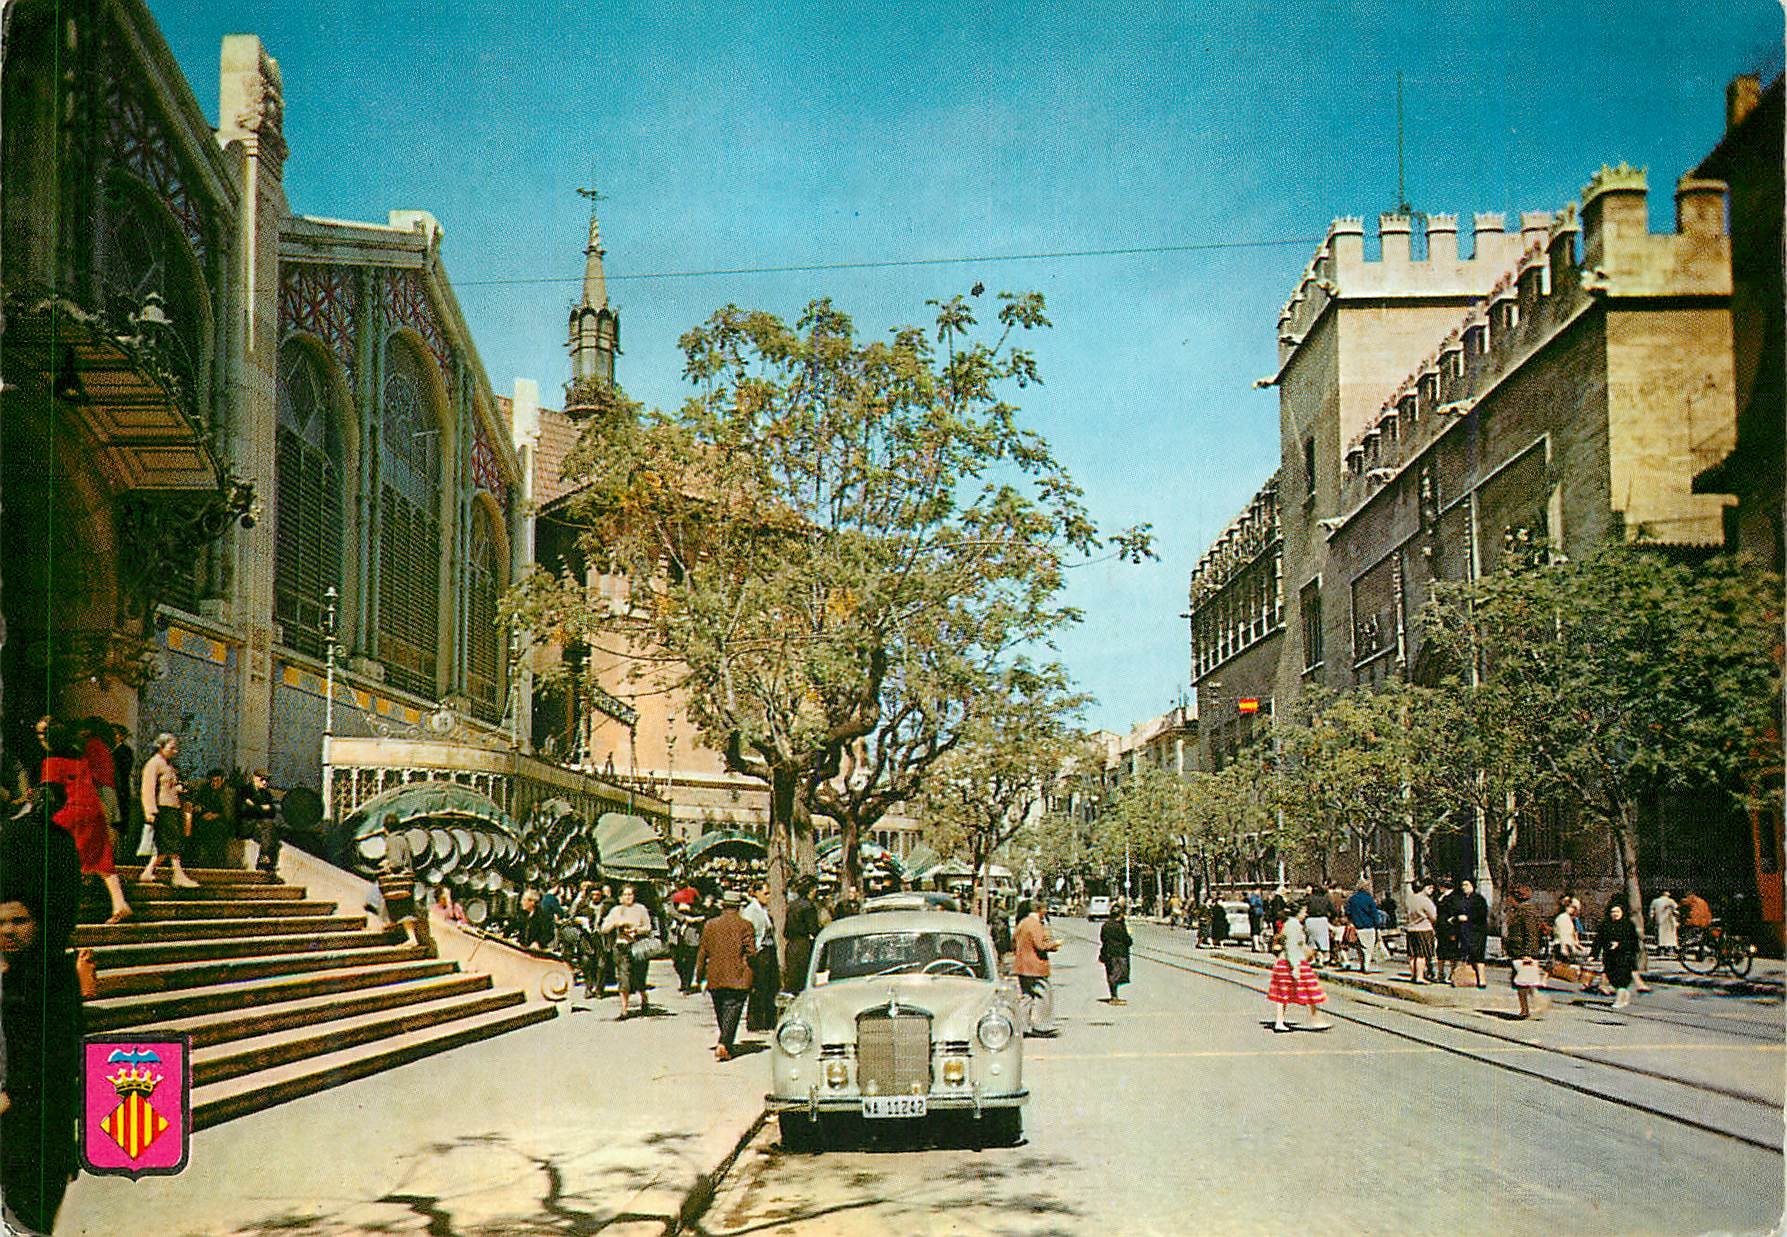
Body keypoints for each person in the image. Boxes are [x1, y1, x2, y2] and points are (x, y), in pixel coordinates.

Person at [1, 793, 91, 1235]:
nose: (8, 932)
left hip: (36, 1133)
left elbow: (62, 1058)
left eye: (19, 922)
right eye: (1, 923)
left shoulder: (54, 977)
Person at [40, 722, 134, 922]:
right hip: (93, 809)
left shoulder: (52, 761)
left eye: (42, 734)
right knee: (102, 859)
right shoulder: (80, 757)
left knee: (58, 857)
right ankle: (120, 903)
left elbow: (52, 797)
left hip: (72, 811)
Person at [694, 890, 758, 1060]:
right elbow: (751, 952)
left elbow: (702, 952)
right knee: (733, 1008)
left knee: (721, 1010)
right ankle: (724, 1044)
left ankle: (726, 1044)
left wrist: (699, 975)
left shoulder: (710, 925)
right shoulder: (746, 925)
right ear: (738, 907)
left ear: (722, 906)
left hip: (715, 974)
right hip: (738, 974)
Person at [138, 732, 200, 887]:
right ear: (161, 747)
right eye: (172, 747)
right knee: (172, 843)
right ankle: (178, 875)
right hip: (162, 809)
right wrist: (150, 811)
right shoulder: (154, 764)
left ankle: (147, 872)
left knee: (165, 845)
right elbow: (148, 788)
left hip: (172, 808)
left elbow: (167, 785)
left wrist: (177, 788)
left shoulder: (168, 765)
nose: (175, 751)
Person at [1268, 902, 1330, 1032]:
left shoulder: (1292, 924)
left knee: (1286, 992)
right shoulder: (1293, 925)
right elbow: (1291, 947)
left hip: (1290, 962)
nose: (1306, 914)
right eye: (1304, 911)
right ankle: (1314, 1020)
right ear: (1298, 912)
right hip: (1292, 963)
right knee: (1308, 990)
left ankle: (1283, 1021)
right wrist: (1295, 967)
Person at [600, 883, 655, 1018]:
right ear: (620, 897)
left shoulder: (641, 909)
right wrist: (615, 924)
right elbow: (603, 928)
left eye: (630, 894)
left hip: (637, 946)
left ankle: (644, 1000)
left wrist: (636, 929)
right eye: (625, 894)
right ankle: (624, 1010)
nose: (628, 897)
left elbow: (648, 927)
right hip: (621, 946)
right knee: (623, 978)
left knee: (639, 978)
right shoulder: (615, 911)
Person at [1013, 898, 1062, 1036]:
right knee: (1044, 995)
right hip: (1035, 967)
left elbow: (1013, 940)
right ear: (1039, 910)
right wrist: (1054, 944)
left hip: (1022, 966)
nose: (1045, 912)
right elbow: (1041, 945)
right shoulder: (1035, 924)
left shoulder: (1023, 922)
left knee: (1026, 996)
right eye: (1044, 909)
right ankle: (1042, 1026)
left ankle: (1022, 1026)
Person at [1502, 884, 1548, 1019]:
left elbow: (1531, 933)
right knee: (1523, 982)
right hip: (1518, 951)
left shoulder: (1526, 910)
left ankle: (1529, 1008)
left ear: (1515, 897)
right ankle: (1528, 1008)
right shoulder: (1519, 910)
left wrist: (1528, 953)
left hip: (1523, 952)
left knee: (1523, 982)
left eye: (1509, 897)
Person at [743, 883, 779, 1032]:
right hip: (759, 951)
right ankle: (756, 1021)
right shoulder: (751, 911)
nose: (768, 897)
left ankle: (769, 1021)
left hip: (769, 950)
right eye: (765, 893)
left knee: (771, 986)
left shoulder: (765, 910)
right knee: (760, 986)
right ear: (756, 893)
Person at [1594, 899, 1642, 1009]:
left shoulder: (1628, 925)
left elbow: (1633, 942)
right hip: (1610, 957)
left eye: (1617, 912)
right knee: (1612, 978)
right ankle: (1624, 994)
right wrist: (1594, 954)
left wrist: (1620, 944)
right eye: (1612, 912)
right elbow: (1598, 940)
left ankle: (1619, 1000)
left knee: (1622, 978)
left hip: (1624, 956)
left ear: (1622, 912)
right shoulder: (1605, 925)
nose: (1615, 914)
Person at [783, 876, 821, 994]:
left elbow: (785, 931)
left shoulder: (791, 906)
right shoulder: (808, 907)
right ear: (810, 889)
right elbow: (814, 929)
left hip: (791, 947)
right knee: (803, 980)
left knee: (792, 979)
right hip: (803, 947)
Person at [238, 769, 280, 872]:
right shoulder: (245, 791)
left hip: (261, 826)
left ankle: (264, 862)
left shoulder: (266, 794)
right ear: (254, 778)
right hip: (246, 826)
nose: (265, 782)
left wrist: (256, 807)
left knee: (270, 829)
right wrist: (262, 808)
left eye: (267, 780)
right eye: (262, 779)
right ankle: (264, 862)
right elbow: (245, 810)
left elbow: (272, 812)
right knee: (268, 827)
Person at [1453, 877, 1490, 988]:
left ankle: (1481, 980)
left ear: (1473, 886)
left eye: (1466, 885)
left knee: (1478, 955)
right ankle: (1461, 978)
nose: (1464, 887)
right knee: (1464, 955)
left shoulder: (1479, 899)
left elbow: (1482, 915)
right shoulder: (1462, 899)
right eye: (1463, 885)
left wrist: (1468, 918)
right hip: (1464, 932)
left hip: (1477, 932)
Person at [1404, 878, 1438, 984]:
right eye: (1431, 888)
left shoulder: (1410, 899)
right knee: (1421, 955)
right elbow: (1433, 916)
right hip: (1424, 929)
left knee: (1413, 955)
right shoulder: (1425, 901)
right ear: (1425, 887)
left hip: (1410, 929)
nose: (1432, 890)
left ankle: (1413, 975)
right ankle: (1420, 977)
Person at [1344, 879, 1381, 973]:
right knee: (1368, 949)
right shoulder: (1369, 899)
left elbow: (1347, 912)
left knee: (1359, 948)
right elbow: (1374, 913)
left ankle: (1361, 965)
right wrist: (1377, 925)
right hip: (1368, 926)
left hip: (1357, 927)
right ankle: (1366, 966)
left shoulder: (1352, 899)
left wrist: (1351, 921)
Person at [1099, 900, 1133, 1004]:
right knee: (1118, 974)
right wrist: (1129, 935)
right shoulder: (1120, 926)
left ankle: (1114, 995)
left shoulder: (1106, 925)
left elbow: (1103, 938)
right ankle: (1114, 997)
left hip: (1108, 953)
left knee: (1111, 973)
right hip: (1119, 953)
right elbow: (1127, 941)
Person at [1303, 883, 1334, 965]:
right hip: (1322, 920)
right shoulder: (1326, 899)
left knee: (1311, 941)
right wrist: (1330, 918)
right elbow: (1333, 911)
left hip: (1310, 920)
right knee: (1323, 940)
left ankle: (1313, 958)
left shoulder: (1309, 899)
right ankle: (1324, 958)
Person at [1648, 889, 1679, 958]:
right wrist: (1677, 919)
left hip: (1660, 920)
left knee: (1660, 935)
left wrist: (1651, 920)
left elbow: (1651, 913)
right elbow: (1676, 911)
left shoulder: (1655, 901)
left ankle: (1661, 951)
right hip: (1670, 921)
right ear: (1667, 893)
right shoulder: (1671, 902)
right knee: (1670, 936)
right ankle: (1670, 951)